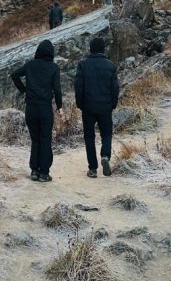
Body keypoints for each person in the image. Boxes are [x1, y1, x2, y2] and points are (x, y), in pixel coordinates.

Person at [11, 40, 63, 181]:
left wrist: (24, 90)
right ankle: (44, 173)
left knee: (35, 140)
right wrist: (59, 106)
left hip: (31, 108)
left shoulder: (30, 65)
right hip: (45, 108)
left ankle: (34, 170)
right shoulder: (54, 68)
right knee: (45, 139)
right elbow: (57, 90)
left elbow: (14, 75)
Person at [74, 37, 119, 178]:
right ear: (103, 49)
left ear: (90, 49)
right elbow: (115, 88)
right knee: (106, 133)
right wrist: (113, 104)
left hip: (88, 107)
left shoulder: (83, 65)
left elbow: (78, 86)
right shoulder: (110, 65)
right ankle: (105, 155)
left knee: (89, 137)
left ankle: (93, 169)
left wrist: (80, 104)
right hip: (105, 107)